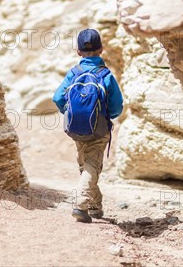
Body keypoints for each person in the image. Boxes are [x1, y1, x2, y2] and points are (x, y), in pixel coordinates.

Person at [52, 28, 124, 223]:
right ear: (101, 50)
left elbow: (57, 97)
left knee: (86, 166)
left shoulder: (74, 73)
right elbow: (117, 106)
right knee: (92, 166)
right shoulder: (105, 75)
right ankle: (80, 205)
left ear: (78, 52)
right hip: (99, 130)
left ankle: (95, 206)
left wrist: (71, 112)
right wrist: (107, 116)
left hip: (76, 128)